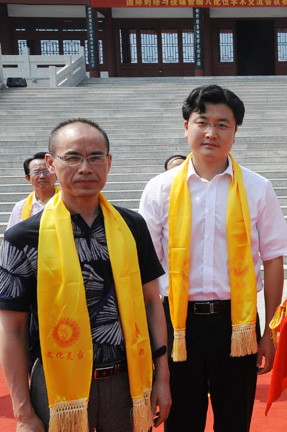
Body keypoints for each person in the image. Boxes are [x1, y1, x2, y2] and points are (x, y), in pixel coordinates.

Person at [138, 84, 287, 432]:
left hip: (236, 323)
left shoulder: (257, 187)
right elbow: (144, 269)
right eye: (202, 121)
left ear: (235, 132)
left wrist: (268, 330)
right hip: (175, 323)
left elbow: (272, 260)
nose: (211, 132)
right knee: (180, 420)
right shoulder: (159, 188)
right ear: (186, 127)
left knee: (234, 419)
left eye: (223, 124)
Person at [0, 119, 171, 431]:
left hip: (128, 381)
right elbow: (12, 329)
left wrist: (162, 378)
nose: (85, 167)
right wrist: (23, 413)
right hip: (55, 385)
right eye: (73, 157)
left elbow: (151, 303)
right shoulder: (22, 238)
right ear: (51, 164)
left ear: (109, 163)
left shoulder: (132, 226)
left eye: (95, 157)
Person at [6, 152, 59, 230]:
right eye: (36, 172)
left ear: (56, 175)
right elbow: (11, 237)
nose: (42, 176)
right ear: (28, 178)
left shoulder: (69, 203)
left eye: (46, 171)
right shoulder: (20, 208)